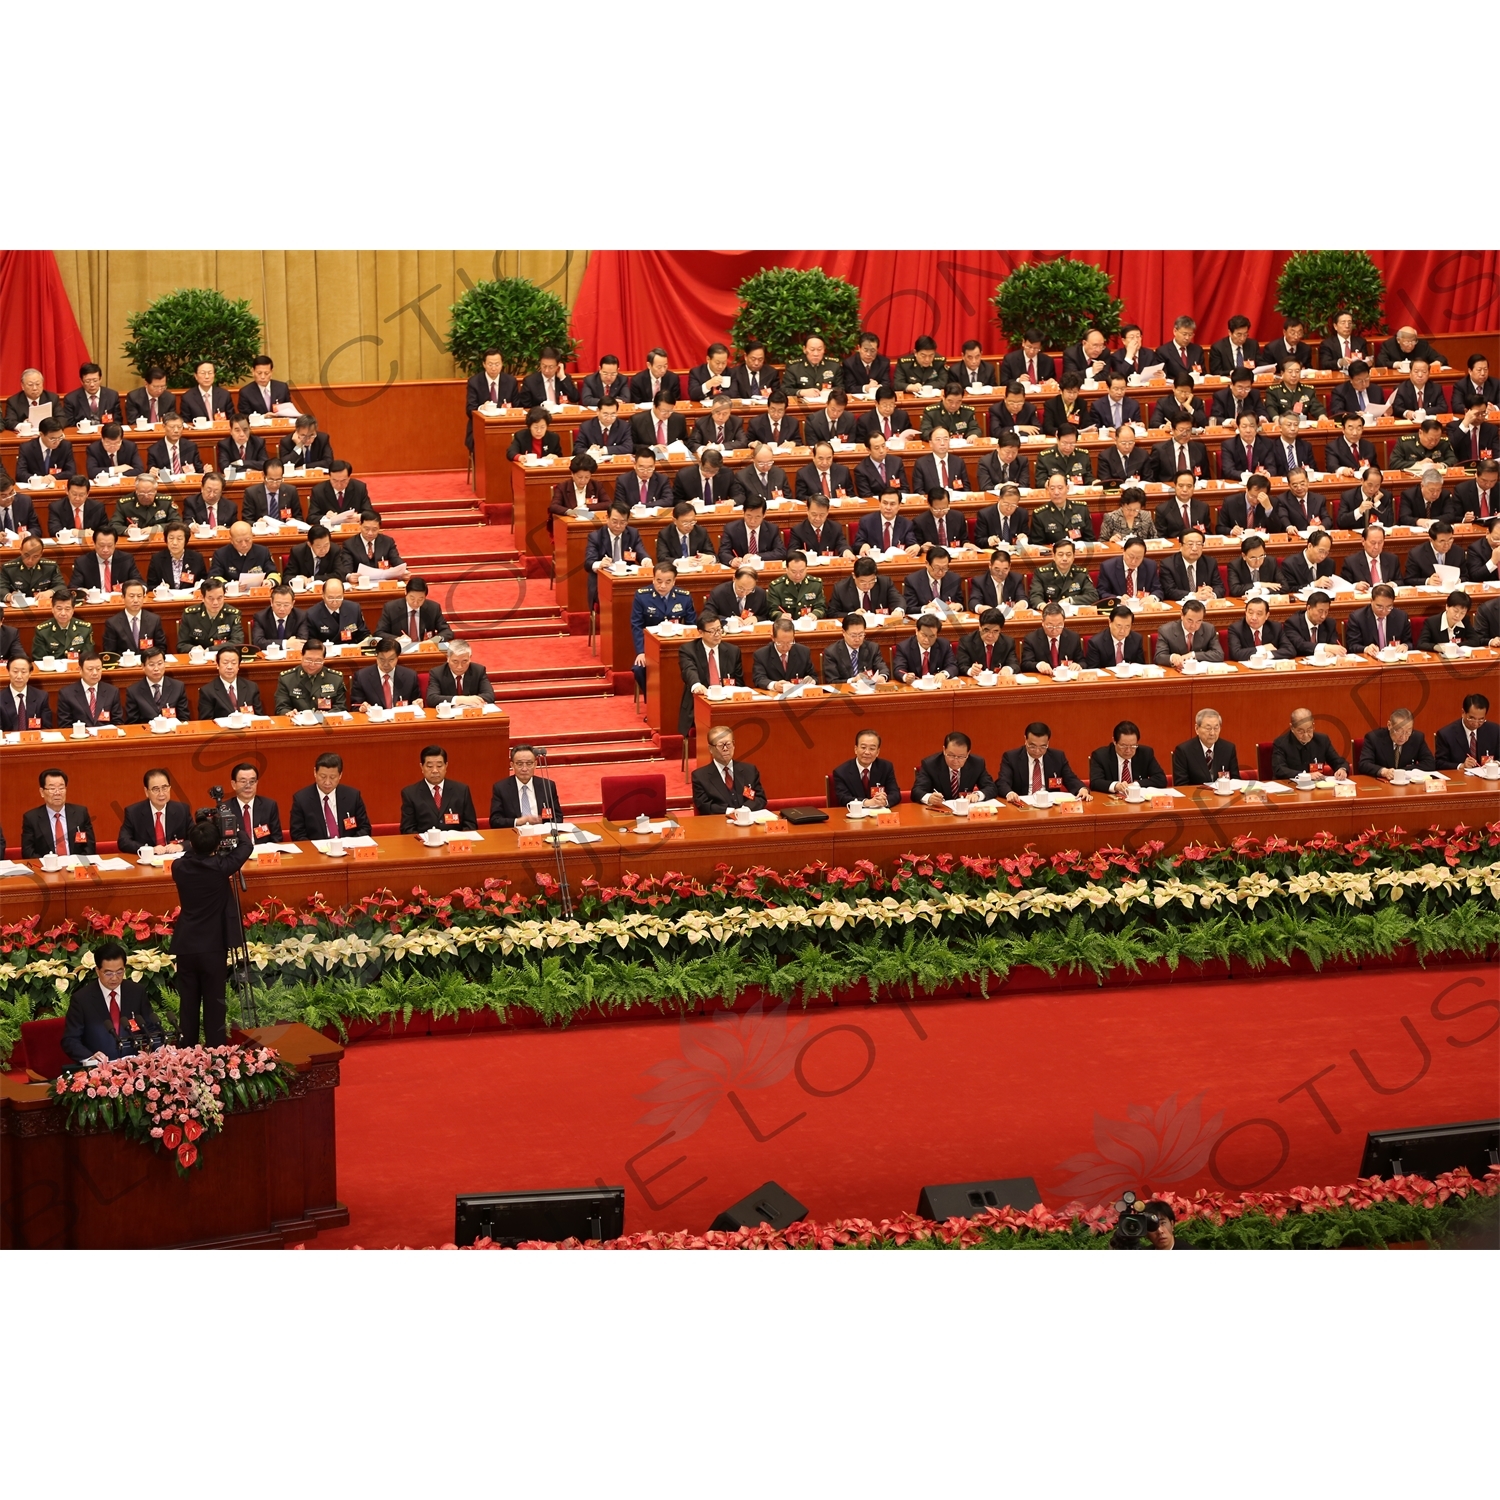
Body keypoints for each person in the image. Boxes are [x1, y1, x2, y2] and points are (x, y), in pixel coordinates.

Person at [170, 808, 256, 1046]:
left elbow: (192, 854)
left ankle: (186, 1052)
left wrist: (203, 831)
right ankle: (215, 1052)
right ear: (216, 845)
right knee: (214, 1004)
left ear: (191, 843)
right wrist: (233, 826)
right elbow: (246, 846)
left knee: (187, 1004)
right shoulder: (221, 867)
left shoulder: (178, 867)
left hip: (186, 945)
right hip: (213, 946)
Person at [60, 940, 163, 1065]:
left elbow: (150, 1028)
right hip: (99, 1071)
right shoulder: (82, 999)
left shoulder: (136, 992)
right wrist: (90, 1058)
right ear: (98, 971)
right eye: (108, 973)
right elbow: (70, 1039)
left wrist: (160, 1049)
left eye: (119, 972)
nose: (114, 978)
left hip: (135, 1067)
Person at [630, 562, 696, 691]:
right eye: (659, 581)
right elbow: (636, 625)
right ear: (653, 579)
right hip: (651, 647)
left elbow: (692, 626)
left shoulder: (684, 597)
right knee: (639, 668)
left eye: (667, 581)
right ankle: (651, 702)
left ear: (674, 581)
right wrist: (641, 652)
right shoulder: (642, 596)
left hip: (677, 646)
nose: (663, 586)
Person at [678, 613, 747, 733]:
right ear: (700, 632)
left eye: (719, 629)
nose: (717, 634)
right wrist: (697, 685)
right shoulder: (688, 650)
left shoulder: (733, 651)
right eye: (712, 631)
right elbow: (688, 670)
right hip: (700, 704)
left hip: (727, 704)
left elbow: (739, 683)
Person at [289, 752, 373, 839]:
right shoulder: (301, 799)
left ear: (340, 775)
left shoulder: (352, 796)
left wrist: (349, 845)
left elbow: (365, 828)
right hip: (317, 850)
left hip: (347, 849)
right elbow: (297, 835)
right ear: (315, 772)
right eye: (323, 776)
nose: (327, 782)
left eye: (332, 777)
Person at [998, 722, 1089, 802]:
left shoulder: (1057, 757)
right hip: (1022, 805)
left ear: (1048, 743)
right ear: (1025, 740)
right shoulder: (1011, 757)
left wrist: (1081, 789)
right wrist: (1009, 793)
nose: (1037, 751)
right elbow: (1002, 782)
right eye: (1032, 746)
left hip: (1050, 806)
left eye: (1042, 747)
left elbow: (1070, 778)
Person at [400, 745, 479, 833]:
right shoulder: (410, 793)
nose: (435, 770)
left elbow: (471, 825)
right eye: (429, 766)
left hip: (454, 843)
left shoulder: (461, 790)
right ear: (421, 767)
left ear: (446, 766)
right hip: (424, 844)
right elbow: (407, 829)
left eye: (439, 766)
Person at [21, 767, 97, 857]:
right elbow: (28, 852)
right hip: (47, 868)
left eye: (61, 788)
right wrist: (49, 865)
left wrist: (78, 864)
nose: (57, 793)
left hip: (76, 866)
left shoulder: (80, 813)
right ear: (42, 792)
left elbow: (89, 847)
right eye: (52, 789)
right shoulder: (31, 818)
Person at [692, 726, 768, 814]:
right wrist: (730, 811)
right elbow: (703, 805)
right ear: (711, 749)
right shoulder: (700, 777)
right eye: (720, 745)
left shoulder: (750, 770)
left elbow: (760, 798)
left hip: (748, 821)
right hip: (718, 823)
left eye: (728, 744)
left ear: (734, 745)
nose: (725, 749)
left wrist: (745, 810)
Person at [117, 768, 192, 854]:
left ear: (170, 788)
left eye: (165, 788)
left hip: (175, 863)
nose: (161, 794)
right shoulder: (133, 812)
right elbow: (123, 842)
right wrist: (149, 850)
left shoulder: (182, 810)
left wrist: (181, 846)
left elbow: (196, 838)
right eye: (156, 789)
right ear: (146, 791)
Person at [489, 744, 564, 828]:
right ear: (512, 765)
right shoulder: (501, 788)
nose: (524, 769)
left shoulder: (547, 786)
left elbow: (558, 818)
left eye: (529, 763)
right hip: (514, 835)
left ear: (535, 764)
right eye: (519, 764)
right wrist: (520, 821)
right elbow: (495, 821)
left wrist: (543, 827)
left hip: (541, 835)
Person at [584, 504, 644, 606]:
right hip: (604, 582)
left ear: (627, 521)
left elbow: (640, 552)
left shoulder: (633, 533)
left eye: (622, 522)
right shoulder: (595, 537)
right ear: (607, 518)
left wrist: (645, 560)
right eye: (614, 521)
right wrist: (600, 564)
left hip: (627, 580)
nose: (618, 526)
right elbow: (588, 563)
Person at [912, 732, 996, 805]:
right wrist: (929, 798)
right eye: (951, 755)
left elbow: (991, 787)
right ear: (944, 750)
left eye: (961, 756)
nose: (955, 761)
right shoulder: (930, 764)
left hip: (965, 814)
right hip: (939, 814)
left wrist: (978, 795)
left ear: (968, 753)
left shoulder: (977, 763)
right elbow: (916, 791)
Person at [1088, 721, 1169, 793]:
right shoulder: (1101, 756)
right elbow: (1095, 782)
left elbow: (1161, 779)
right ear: (1114, 741)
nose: (1128, 750)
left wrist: (1135, 785)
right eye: (1123, 746)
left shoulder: (1145, 753)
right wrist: (1116, 786)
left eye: (1133, 746)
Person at [274, 638, 348, 713]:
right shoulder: (287, 678)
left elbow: (340, 707)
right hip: (297, 722)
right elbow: (281, 707)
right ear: (301, 656)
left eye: (318, 661)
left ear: (324, 660)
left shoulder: (335, 678)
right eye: (308, 660)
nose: (312, 665)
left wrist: (327, 715)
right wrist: (289, 713)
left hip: (324, 722)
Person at [1271, 709, 1349, 779]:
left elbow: (1338, 761)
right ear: (1292, 728)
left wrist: (1342, 769)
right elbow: (1279, 769)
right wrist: (1305, 775)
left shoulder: (1322, 740)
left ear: (1313, 725)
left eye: (1309, 730)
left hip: (1316, 789)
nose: (1306, 735)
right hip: (1290, 787)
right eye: (1300, 731)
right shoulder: (1281, 743)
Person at [832, 729, 901, 808]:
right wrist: (866, 802)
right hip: (855, 815)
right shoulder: (841, 772)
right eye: (863, 747)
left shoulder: (886, 767)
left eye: (872, 749)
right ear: (855, 749)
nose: (867, 752)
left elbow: (895, 793)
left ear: (877, 752)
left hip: (879, 814)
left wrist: (884, 801)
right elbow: (842, 798)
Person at [1359, 709, 1435, 779]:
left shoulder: (1417, 738)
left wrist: (1401, 772)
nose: (1403, 737)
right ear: (1389, 725)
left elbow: (1430, 763)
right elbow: (1364, 764)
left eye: (1408, 732)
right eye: (1399, 731)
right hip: (1382, 784)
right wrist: (1383, 771)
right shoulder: (1374, 738)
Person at [465, 350, 518, 450]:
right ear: (484, 364)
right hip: (481, 428)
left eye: (497, 364)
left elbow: (517, 406)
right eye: (490, 364)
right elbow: (469, 409)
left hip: (506, 426)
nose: (494, 368)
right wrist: (482, 408)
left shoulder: (511, 381)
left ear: (502, 364)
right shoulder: (474, 382)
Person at [350, 635, 420, 709]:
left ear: (397, 658)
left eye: (391, 660)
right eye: (382, 659)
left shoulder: (410, 676)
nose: (386, 664)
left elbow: (416, 702)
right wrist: (361, 708)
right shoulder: (362, 677)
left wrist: (418, 703)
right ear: (376, 656)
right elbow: (355, 706)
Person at [1172, 709, 1240, 784]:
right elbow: (1181, 785)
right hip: (1196, 795)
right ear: (1197, 728)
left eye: (1216, 728)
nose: (1212, 733)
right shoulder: (1184, 751)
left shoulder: (1228, 749)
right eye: (1208, 728)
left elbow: (1235, 781)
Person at [374, 577, 451, 643]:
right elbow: (379, 632)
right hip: (400, 651)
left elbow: (447, 631)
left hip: (425, 650)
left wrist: (434, 640)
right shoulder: (391, 608)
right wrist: (397, 639)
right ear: (405, 592)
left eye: (420, 599)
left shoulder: (433, 608)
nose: (415, 603)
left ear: (425, 596)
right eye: (412, 598)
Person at [124, 647, 190, 723]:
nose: (156, 668)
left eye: (160, 664)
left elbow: (184, 719)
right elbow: (132, 724)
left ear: (164, 664)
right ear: (143, 666)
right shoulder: (133, 691)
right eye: (151, 665)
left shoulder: (178, 687)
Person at [1344, 584, 1412, 656]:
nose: (1384, 611)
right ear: (1371, 601)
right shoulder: (1357, 617)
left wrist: (1405, 646)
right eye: (1379, 607)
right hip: (1370, 660)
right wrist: (1366, 648)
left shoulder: (1401, 617)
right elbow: (1352, 645)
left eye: (1389, 607)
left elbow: (1409, 642)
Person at [423, 639, 496, 706]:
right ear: (448, 658)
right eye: (455, 661)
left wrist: (470, 701)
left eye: (464, 661)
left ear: (470, 658)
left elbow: (490, 696)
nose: (460, 666)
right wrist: (460, 699)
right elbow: (431, 699)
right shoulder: (437, 673)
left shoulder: (478, 671)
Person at [197, 645, 264, 718]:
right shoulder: (207, 691)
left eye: (234, 663)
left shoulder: (251, 687)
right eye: (225, 663)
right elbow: (206, 722)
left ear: (238, 666)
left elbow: (259, 718)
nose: (229, 667)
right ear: (217, 665)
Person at [70, 529, 142, 594]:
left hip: (119, 602)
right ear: (94, 544)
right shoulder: (82, 562)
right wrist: (82, 591)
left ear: (115, 544)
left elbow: (140, 582)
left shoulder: (126, 559)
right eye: (102, 545)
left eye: (110, 545)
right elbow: (73, 587)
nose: (105, 550)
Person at [1158, 530, 1224, 602]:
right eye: (1190, 544)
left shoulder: (1210, 563)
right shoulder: (1168, 564)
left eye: (1199, 544)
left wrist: (1211, 595)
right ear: (1180, 546)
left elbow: (1219, 587)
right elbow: (1169, 591)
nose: (1194, 548)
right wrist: (1194, 596)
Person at [1028, 538, 1097, 607]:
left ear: (1074, 556)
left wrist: (1070, 600)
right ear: (1054, 556)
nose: (1064, 558)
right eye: (1060, 555)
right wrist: (1043, 606)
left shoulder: (1081, 573)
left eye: (1068, 555)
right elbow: (1035, 596)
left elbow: (1093, 596)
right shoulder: (1041, 573)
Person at [822, 613, 889, 684]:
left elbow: (882, 668)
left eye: (861, 635)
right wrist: (853, 680)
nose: (857, 639)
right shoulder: (832, 652)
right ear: (844, 633)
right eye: (853, 635)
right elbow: (832, 680)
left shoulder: (872, 648)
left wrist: (882, 676)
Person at [1434, 695, 1497, 770]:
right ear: (1463, 713)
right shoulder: (1446, 734)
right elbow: (1439, 763)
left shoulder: (1494, 730)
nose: (1476, 723)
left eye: (1481, 719)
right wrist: (1462, 766)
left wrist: (1495, 764)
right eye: (1472, 718)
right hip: (1461, 779)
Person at [1029, 473, 1095, 544]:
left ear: (1067, 488)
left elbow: (1090, 540)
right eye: (1052, 488)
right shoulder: (1040, 515)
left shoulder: (1081, 509)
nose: (1056, 492)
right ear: (1048, 490)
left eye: (1060, 488)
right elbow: (1037, 546)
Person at [1155, 598, 1223, 667]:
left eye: (1198, 621)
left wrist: (1193, 655)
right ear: (1182, 615)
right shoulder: (1166, 630)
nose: (1193, 626)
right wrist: (1172, 657)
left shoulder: (1208, 629)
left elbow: (1218, 654)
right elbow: (1159, 657)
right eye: (1190, 620)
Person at [101, 579, 165, 653]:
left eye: (139, 596)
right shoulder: (112, 623)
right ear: (123, 597)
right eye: (131, 596)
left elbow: (161, 648)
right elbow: (110, 653)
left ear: (144, 597)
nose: (135, 600)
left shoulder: (154, 620)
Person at [752, 617, 817, 689]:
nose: (785, 647)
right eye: (781, 643)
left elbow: (814, 677)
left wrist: (811, 681)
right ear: (773, 638)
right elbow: (759, 678)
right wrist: (774, 685)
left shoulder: (803, 652)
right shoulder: (761, 655)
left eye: (789, 642)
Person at [1278, 592, 1346, 658]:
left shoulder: (1329, 623)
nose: (1323, 616)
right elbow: (1300, 645)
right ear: (1309, 608)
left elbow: (1334, 645)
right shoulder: (1293, 623)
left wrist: (1332, 652)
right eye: (1320, 611)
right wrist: (1325, 648)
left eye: (1326, 611)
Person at [1148, 417, 1210, 489]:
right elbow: (1152, 479)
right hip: (1168, 492)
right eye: (1181, 430)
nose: (1185, 434)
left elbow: (1206, 477)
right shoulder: (1160, 450)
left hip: (1194, 490)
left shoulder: (1200, 448)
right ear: (1173, 430)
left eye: (1188, 430)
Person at [717, 498, 784, 564]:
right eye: (749, 516)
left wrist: (756, 557)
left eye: (757, 517)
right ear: (743, 511)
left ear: (764, 514)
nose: (752, 521)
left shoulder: (772, 529)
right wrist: (732, 560)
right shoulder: (731, 529)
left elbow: (781, 552)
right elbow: (723, 552)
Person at [1020, 603, 1083, 673]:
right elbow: (1025, 665)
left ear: (1064, 622)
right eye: (1050, 626)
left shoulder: (1073, 638)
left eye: (1059, 625)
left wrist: (1078, 665)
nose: (1054, 630)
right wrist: (1038, 665)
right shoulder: (1031, 639)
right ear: (1043, 622)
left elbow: (1082, 661)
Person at [2, 534, 65, 604]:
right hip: (18, 607)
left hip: (41, 607)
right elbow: (1, 588)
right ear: (21, 550)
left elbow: (61, 586)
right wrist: (10, 597)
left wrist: (49, 592)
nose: (30, 560)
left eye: (35, 556)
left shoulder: (50, 567)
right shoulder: (9, 568)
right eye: (26, 555)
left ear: (41, 554)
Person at [829, 557, 902, 617]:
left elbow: (898, 599)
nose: (867, 585)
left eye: (871, 581)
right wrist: (853, 615)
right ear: (854, 576)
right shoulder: (841, 588)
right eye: (863, 582)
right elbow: (832, 613)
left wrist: (898, 610)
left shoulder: (884, 583)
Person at [32, 590, 94, 659]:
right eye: (59, 609)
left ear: (73, 610)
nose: (63, 613)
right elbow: (38, 659)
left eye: (67, 609)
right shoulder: (42, 631)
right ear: (52, 609)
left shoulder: (85, 629)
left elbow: (88, 658)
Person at [302, 577, 365, 646]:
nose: (335, 602)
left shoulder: (354, 609)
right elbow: (311, 643)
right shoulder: (312, 614)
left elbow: (363, 634)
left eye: (339, 597)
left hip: (350, 650)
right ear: (323, 595)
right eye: (330, 598)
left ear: (343, 594)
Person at [764, 551, 826, 619]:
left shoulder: (815, 584)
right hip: (786, 626)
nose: (798, 575)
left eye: (801, 571)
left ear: (806, 569)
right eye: (794, 572)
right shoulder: (776, 587)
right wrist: (780, 615)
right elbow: (772, 610)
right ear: (786, 569)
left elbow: (821, 607)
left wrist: (815, 614)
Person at [893, 614, 956, 681]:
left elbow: (953, 666)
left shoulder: (944, 645)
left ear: (937, 635)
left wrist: (944, 674)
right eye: (924, 635)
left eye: (931, 636)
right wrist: (906, 677)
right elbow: (898, 669)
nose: (927, 640)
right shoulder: (904, 647)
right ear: (917, 631)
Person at [209, 522, 276, 584]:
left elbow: (273, 573)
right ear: (231, 540)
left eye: (247, 540)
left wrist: (270, 582)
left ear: (252, 536)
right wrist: (230, 585)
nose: (244, 544)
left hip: (257, 590)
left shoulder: (262, 552)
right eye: (239, 541)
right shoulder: (221, 554)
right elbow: (215, 577)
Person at [307, 461, 374, 524]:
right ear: (329, 477)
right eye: (335, 480)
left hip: (352, 530)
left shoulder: (359, 488)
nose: (339, 485)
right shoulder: (318, 491)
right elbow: (311, 518)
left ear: (349, 477)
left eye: (343, 480)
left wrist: (359, 517)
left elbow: (370, 513)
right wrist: (326, 518)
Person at [1097, 536, 1161, 601]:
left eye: (1138, 558)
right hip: (1120, 609)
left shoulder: (1150, 566)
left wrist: (1152, 598)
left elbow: (1158, 589)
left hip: (1142, 607)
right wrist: (1118, 599)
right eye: (1131, 556)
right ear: (1124, 552)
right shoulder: (1108, 567)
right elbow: (1102, 592)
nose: (1134, 561)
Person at [284, 525, 352, 586]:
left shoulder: (334, 550)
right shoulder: (298, 552)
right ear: (309, 544)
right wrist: (298, 578)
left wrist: (313, 579)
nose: (323, 550)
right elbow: (286, 577)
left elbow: (340, 574)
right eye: (319, 547)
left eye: (326, 545)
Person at [902, 548, 964, 614]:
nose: (940, 572)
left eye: (944, 568)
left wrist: (959, 606)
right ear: (927, 564)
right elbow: (909, 608)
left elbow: (960, 603)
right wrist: (924, 608)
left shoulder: (954, 579)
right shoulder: (913, 580)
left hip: (949, 620)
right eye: (936, 568)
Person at [854, 490, 918, 554]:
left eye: (892, 504)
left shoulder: (906, 524)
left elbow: (912, 543)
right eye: (885, 503)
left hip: (896, 562)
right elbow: (857, 545)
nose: (888, 507)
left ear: (899, 506)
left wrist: (916, 546)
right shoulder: (866, 521)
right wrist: (863, 545)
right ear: (879, 504)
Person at [956, 608, 1017, 674]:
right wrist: (970, 670)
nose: (990, 636)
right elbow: (961, 665)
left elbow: (1014, 664)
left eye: (995, 631)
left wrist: (1008, 669)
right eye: (986, 630)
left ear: (1000, 630)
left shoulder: (1008, 642)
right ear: (979, 627)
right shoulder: (966, 642)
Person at [15, 417, 76, 483]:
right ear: (41, 434)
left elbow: (71, 472)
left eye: (60, 437)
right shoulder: (27, 448)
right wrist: (39, 479)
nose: (57, 442)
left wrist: (54, 477)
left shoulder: (65, 446)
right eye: (53, 439)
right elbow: (20, 474)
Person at [910, 428, 970, 494]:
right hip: (932, 502)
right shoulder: (921, 463)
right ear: (930, 443)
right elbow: (918, 490)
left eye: (946, 439)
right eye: (938, 439)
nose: (942, 443)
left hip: (955, 501)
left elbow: (966, 488)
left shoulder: (958, 462)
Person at [654, 501, 716, 565]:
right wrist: (683, 562)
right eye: (685, 523)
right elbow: (662, 558)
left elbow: (711, 554)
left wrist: (711, 558)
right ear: (675, 521)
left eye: (692, 522)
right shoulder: (665, 534)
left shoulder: (701, 532)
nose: (689, 526)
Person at [549, 453, 605, 522]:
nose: (583, 480)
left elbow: (608, 504)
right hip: (570, 524)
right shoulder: (563, 487)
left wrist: (585, 507)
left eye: (587, 477)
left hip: (591, 523)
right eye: (580, 477)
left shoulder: (597, 485)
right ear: (572, 474)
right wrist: (570, 512)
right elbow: (553, 506)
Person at [0, 656, 51, 730]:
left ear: (30, 673)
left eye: (23, 672)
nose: (19, 676)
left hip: (33, 740)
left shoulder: (41, 697)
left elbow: (47, 728)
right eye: (15, 671)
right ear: (8, 671)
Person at [1404, 522, 1462, 586]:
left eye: (1450, 540)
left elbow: (1465, 577)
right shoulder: (1416, 554)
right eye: (1442, 541)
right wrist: (1427, 581)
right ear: (1431, 540)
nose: (1447, 545)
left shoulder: (1458, 552)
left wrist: (1457, 580)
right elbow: (1409, 580)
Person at [968, 547, 1026, 612]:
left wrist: (1022, 603)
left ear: (1009, 567)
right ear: (990, 565)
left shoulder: (1016, 579)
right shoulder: (980, 582)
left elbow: (1022, 597)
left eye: (1005, 569)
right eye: (997, 569)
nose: (1000, 574)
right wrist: (981, 608)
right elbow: (973, 602)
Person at [1390, 418, 1456, 473]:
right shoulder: (1405, 443)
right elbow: (1394, 463)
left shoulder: (1443, 442)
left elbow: (1453, 460)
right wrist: (1418, 464)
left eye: (1437, 439)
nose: (1433, 443)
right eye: (1430, 439)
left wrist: (1441, 465)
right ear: (1420, 433)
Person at [856, 431, 908, 498]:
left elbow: (905, 489)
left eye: (883, 446)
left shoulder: (897, 462)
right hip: (875, 506)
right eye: (876, 448)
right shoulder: (861, 470)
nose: (881, 451)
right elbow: (866, 495)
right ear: (868, 450)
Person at [1156, 315, 1204, 380]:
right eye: (1184, 334)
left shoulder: (1197, 350)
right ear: (1175, 331)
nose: (1187, 338)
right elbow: (1162, 376)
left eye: (1190, 335)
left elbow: (1203, 374)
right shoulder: (1163, 351)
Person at [1376, 328, 1441, 368]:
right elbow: (1380, 362)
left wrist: (1432, 365)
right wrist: (1398, 364)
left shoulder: (1422, 345)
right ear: (1398, 340)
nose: (1410, 345)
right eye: (1407, 342)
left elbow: (1441, 358)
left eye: (1413, 341)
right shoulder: (1389, 345)